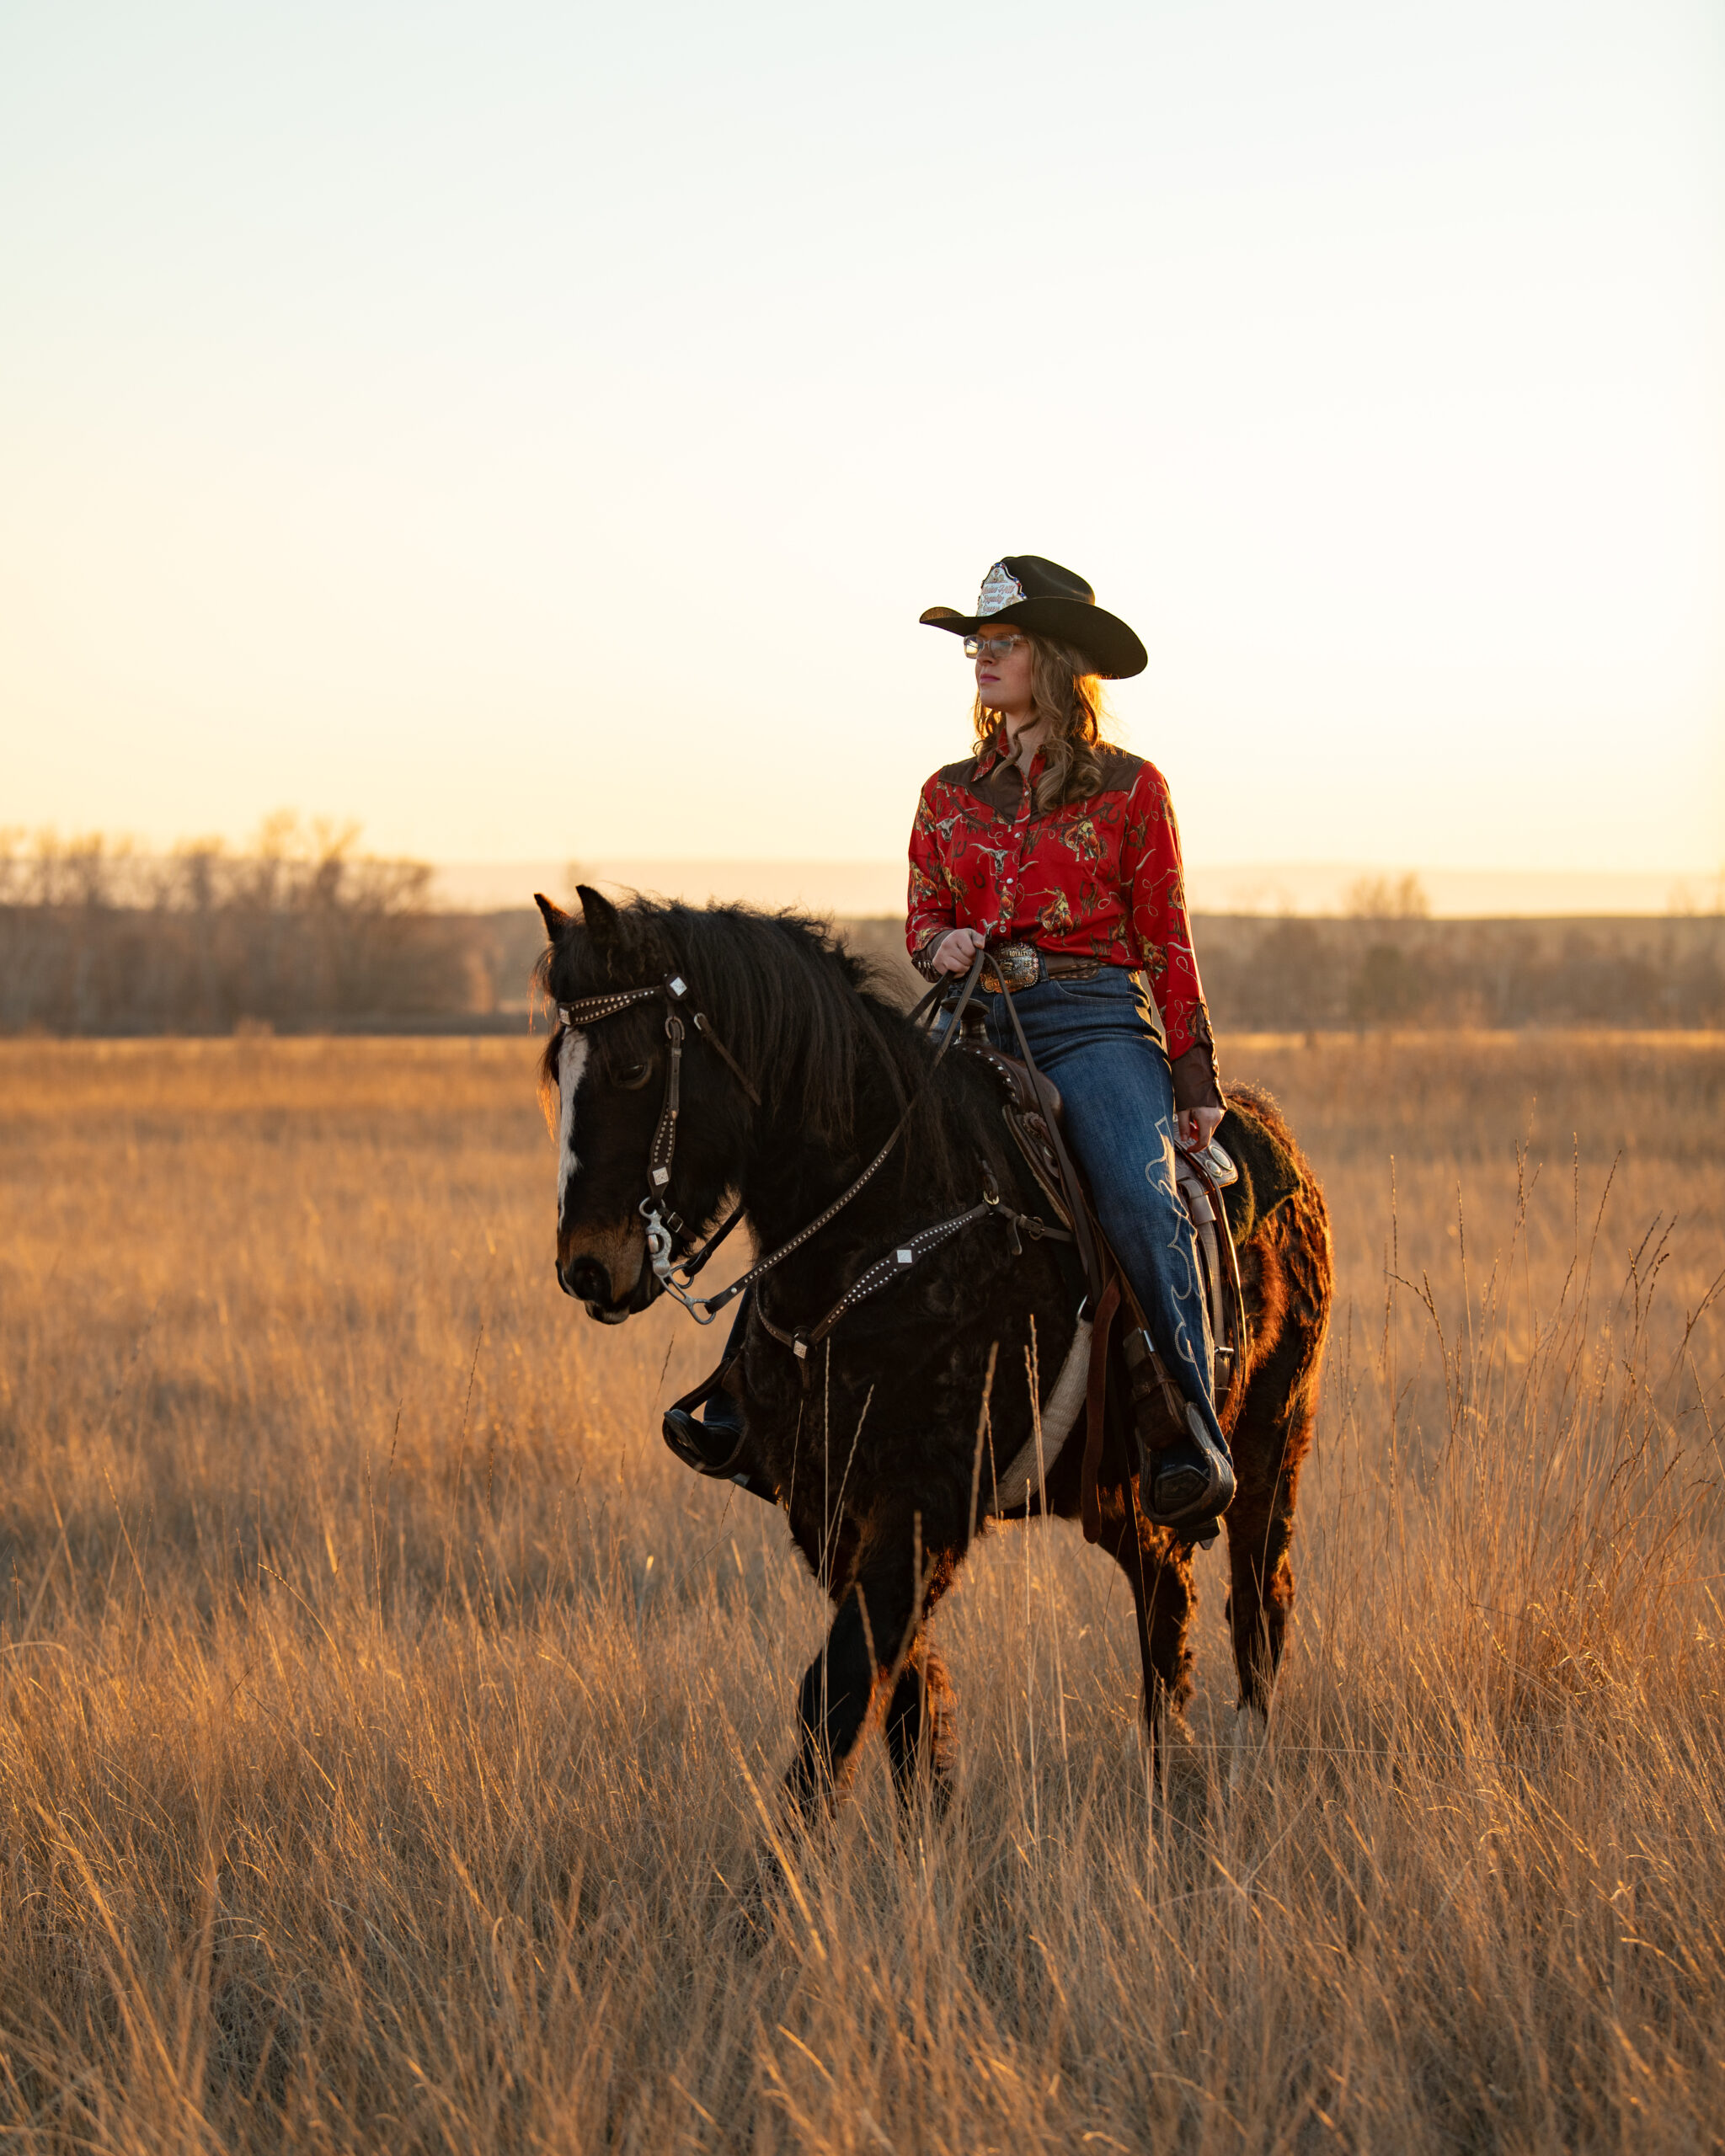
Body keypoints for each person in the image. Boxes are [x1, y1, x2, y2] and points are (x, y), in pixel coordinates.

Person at [907, 555, 1232, 1525]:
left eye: (999, 643)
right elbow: (920, 924)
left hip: (1092, 1022)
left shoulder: (1132, 790)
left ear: (1051, 660)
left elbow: (1166, 935)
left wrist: (1190, 1076)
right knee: (848, 1144)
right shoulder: (945, 794)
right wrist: (942, 944)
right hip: (974, 1019)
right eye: (976, 643)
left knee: (1138, 1197)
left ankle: (1190, 1430)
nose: (980, 657)